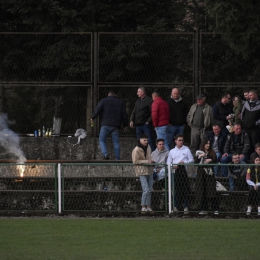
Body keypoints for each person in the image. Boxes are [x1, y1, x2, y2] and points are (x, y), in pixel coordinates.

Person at [90, 91, 128, 160]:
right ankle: (117, 158)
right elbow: (124, 114)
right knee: (116, 142)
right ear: (115, 95)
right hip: (115, 125)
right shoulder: (120, 102)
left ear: (108, 95)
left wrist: (92, 117)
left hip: (105, 124)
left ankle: (105, 154)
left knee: (101, 140)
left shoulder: (104, 101)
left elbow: (97, 109)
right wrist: (125, 124)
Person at [167, 134, 194, 214]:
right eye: (179, 140)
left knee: (185, 190)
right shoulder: (172, 151)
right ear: (175, 141)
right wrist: (173, 166)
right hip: (174, 172)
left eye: (182, 140)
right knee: (175, 189)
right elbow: (168, 162)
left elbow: (191, 160)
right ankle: (175, 206)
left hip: (183, 172)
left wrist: (184, 162)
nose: (181, 142)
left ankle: (185, 207)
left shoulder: (186, 150)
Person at [195, 139, 219, 215]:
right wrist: (199, 157)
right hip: (201, 174)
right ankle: (203, 208)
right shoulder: (199, 152)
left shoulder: (212, 152)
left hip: (210, 174)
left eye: (209, 143)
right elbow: (195, 162)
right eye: (206, 143)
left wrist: (210, 160)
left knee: (212, 191)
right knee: (203, 191)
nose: (208, 145)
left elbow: (215, 161)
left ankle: (215, 208)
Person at [132, 134, 154, 212]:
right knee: (146, 189)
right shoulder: (136, 149)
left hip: (149, 170)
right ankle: (143, 206)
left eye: (147, 140)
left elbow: (149, 156)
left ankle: (148, 206)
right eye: (144, 140)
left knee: (149, 189)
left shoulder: (148, 147)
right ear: (140, 140)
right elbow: (135, 161)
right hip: (141, 171)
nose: (146, 142)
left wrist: (152, 160)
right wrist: (147, 161)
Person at [130, 87, 156, 151]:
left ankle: (152, 155)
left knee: (149, 140)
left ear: (142, 92)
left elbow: (152, 112)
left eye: (138, 92)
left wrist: (148, 121)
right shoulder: (137, 101)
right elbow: (134, 111)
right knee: (139, 141)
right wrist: (131, 120)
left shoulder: (149, 100)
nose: (137, 93)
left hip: (145, 125)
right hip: (138, 125)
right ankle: (141, 155)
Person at [241, 89, 260, 154]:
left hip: (255, 128)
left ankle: (254, 158)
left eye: (251, 95)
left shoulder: (259, 104)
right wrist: (243, 120)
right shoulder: (246, 103)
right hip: (245, 127)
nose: (249, 97)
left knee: (254, 143)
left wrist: (256, 123)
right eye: (249, 95)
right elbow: (242, 113)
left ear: (256, 95)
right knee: (246, 143)